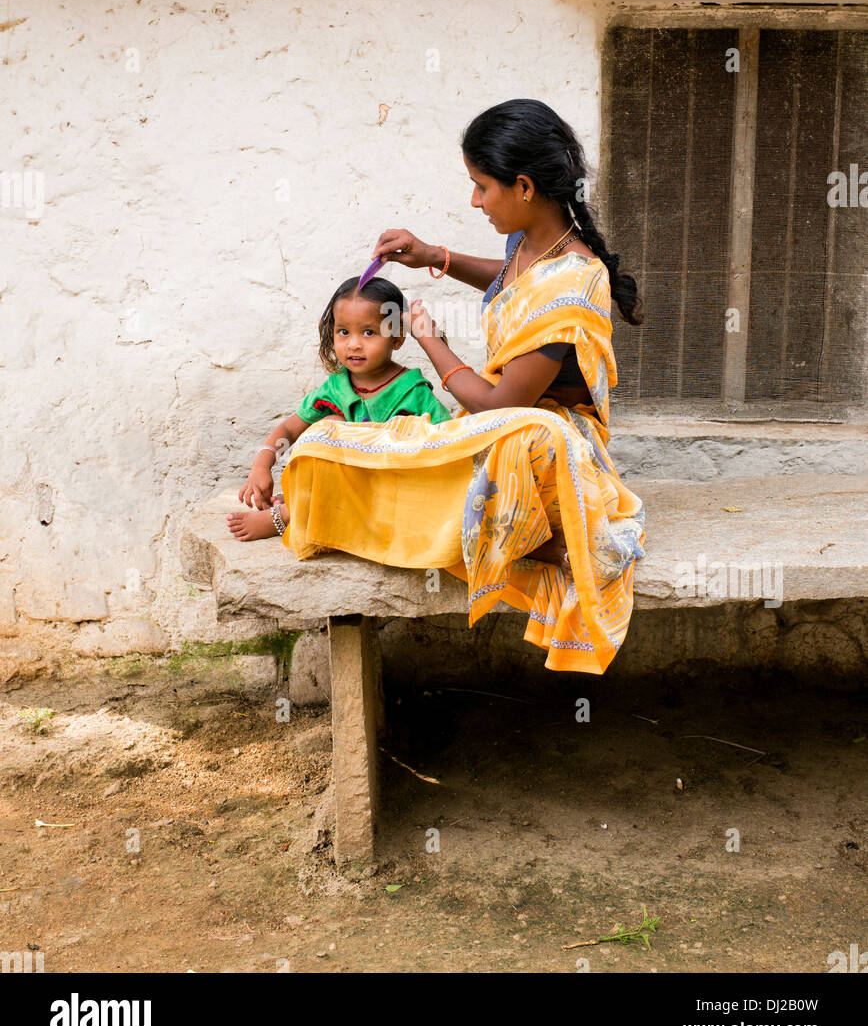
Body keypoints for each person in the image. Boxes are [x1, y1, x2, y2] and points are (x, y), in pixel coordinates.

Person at [279, 99, 646, 674]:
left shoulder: (572, 284)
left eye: (481, 187)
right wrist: (434, 255)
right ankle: (521, 534)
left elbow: (501, 404)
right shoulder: (532, 242)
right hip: (505, 428)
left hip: (544, 446)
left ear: (523, 186)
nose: (475, 202)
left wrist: (428, 340)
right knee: (340, 446)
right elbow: (508, 280)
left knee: (383, 459)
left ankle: (542, 536)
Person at [226, 275, 451, 541]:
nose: (354, 344)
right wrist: (261, 467)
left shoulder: (413, 393)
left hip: (389, 494)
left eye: (369, 332)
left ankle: (287, 515)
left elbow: (447, 442)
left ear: (397, 337)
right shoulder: (336, 388)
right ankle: (304, 501)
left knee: (353, 430)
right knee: (328, 423)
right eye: (344, 332)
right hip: (339, 491)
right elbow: (289, 428)